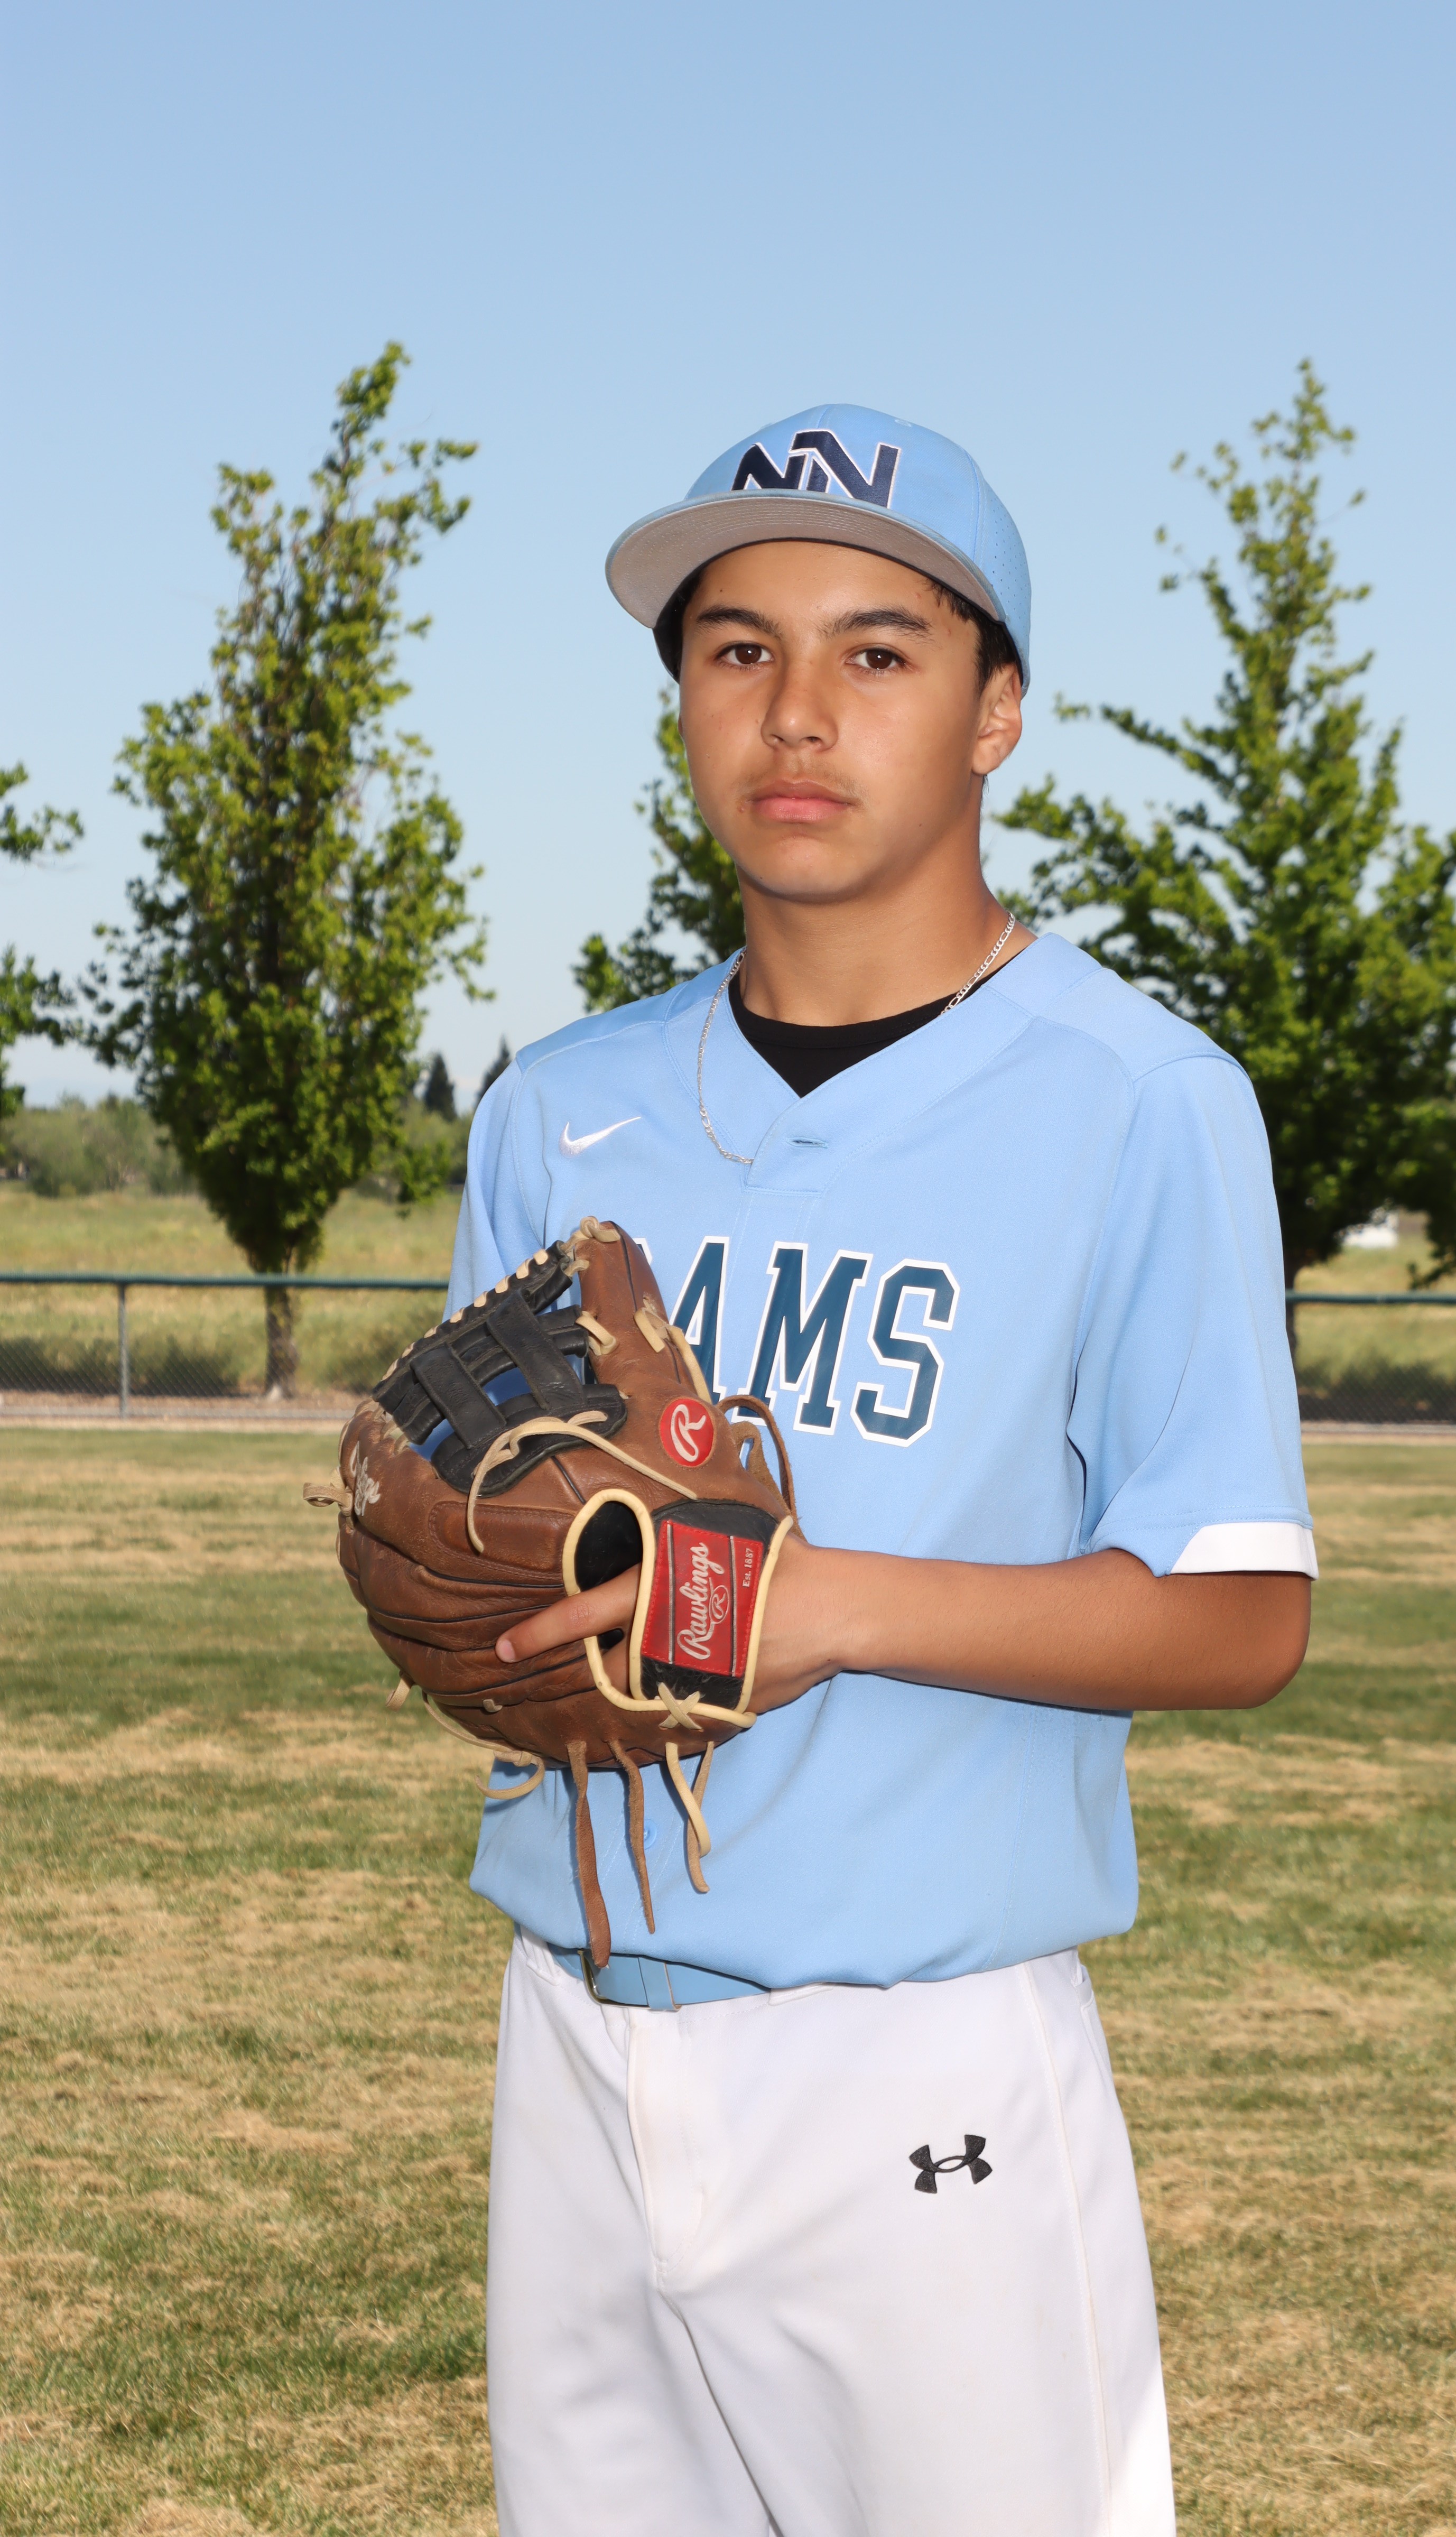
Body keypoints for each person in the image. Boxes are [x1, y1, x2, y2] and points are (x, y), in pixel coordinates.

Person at [449, 404, 1315, 2536]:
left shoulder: (1136, 1098)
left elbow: (1239, 1609)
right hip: (575, 2031)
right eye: (735, 649)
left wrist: (831, 1608)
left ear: (996, 710)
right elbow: (498, 1537)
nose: (797, 713)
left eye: (879, 650)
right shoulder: (559, 1109)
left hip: (921, 2057)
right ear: (681, 702)